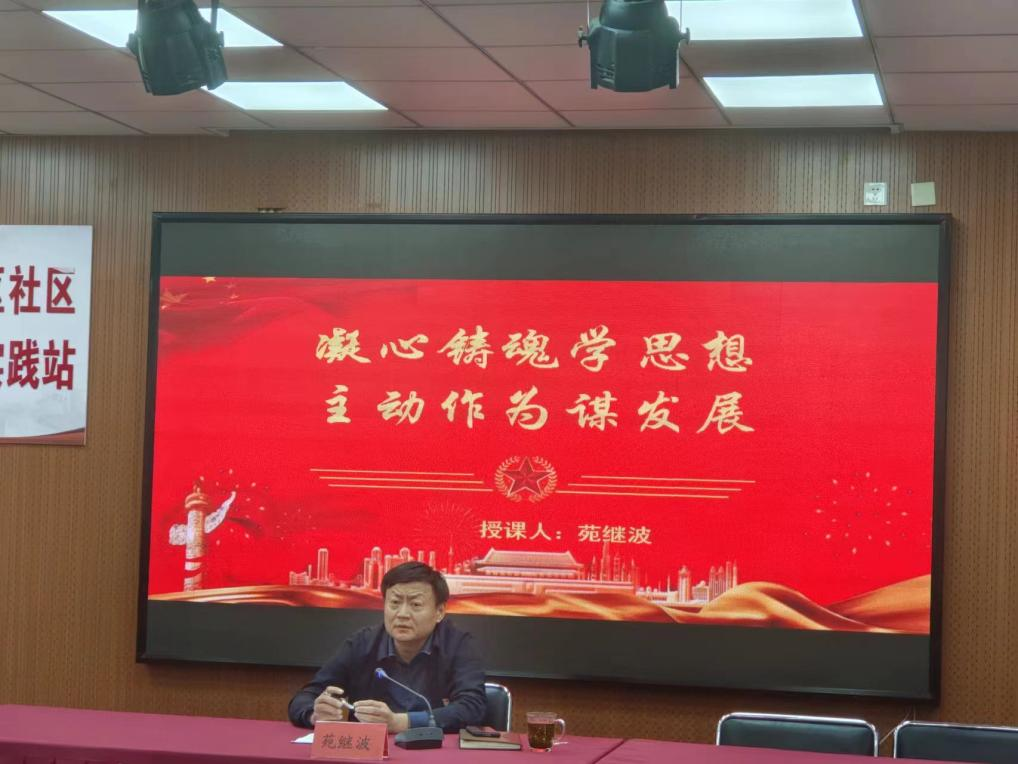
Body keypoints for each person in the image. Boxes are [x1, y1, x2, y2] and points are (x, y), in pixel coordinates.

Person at [288, 561, 486, 733]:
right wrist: (315, 714)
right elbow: (305, 697)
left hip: (431, 751)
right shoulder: (363, 644)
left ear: (439, 611)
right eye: (394, 603)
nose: (402, 614)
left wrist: (400, 722)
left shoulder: (458, 645)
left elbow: (473, 708)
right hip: (368, 753)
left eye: (416, 605)